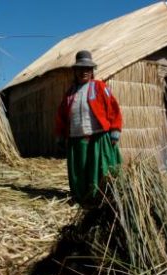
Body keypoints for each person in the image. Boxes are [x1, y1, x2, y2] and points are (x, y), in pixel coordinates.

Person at [55, 50, 123, 205]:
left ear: (92, 71)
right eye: (80, 69)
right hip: (76, 138)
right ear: (75, 71)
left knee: (100, 168)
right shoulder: (70, 93)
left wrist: (115, 130)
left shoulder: (99, 87)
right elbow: (62, 116)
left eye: (87, 69)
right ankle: (81, 197)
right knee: (79, 170)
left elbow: (113, 108)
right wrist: (60, 135)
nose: (84, 72)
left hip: (98, 137)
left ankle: (102, 197)